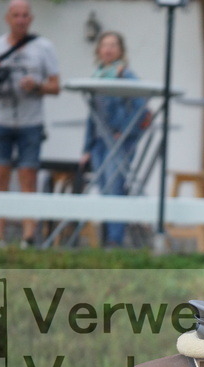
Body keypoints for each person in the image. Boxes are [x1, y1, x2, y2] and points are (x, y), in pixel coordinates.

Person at [0, 0, 59, 247]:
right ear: (7, 18)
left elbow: (56, 86)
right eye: (16, 15)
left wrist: (37, 86)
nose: (20, 20)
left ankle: (28, 237)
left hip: (31, 122)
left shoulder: (43, 47)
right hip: (0, 120)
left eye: (24, 15)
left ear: (30, 19)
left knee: (28, 177)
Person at [79, 31, 148, 247]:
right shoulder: (97, 76)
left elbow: (141, 106)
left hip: (119, 142)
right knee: (103, 187)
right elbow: (92, 116)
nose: (108, 49)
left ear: (121, 50)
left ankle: (114, 240)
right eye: (105, 45)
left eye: (113, 45)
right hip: (100, 141)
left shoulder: (126, 75)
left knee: (115, 186)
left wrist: (125, 129)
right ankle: (108, 237)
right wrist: (86, 148)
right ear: (98, 50)